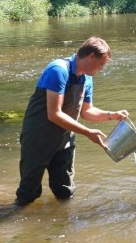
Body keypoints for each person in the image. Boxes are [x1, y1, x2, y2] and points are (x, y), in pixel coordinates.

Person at [15, 37, 129, 206]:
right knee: (28, 191)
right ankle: (17, 223)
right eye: (101, 64)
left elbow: (87, 111)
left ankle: (64, 224)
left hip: (64, 140)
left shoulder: (86, 78)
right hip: (38, 138)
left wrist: (112, 115)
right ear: (91, 57)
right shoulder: (58, 70)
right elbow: (54, 114)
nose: (101, 69)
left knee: (65, 190)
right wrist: (88, 132)